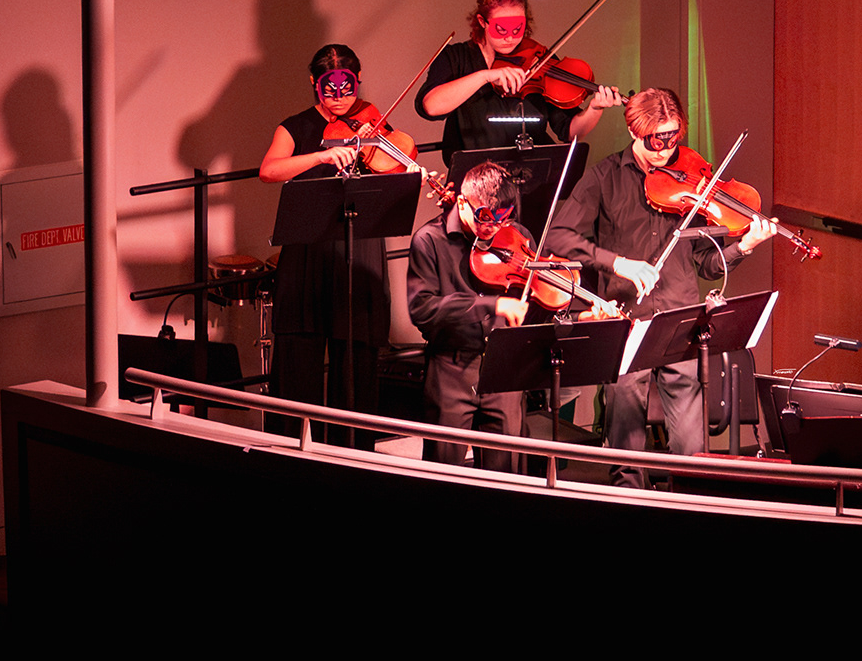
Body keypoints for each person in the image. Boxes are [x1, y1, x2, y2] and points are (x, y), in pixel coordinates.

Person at [548, 86, 772, 484]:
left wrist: (744, 246)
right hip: (627, 321)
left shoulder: (690, 179)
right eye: (656, 140)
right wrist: (617, 262)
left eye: (672, 138)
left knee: (692, 450)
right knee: (626, 445)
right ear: (634, 131)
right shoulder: (604, 177)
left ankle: (688, 504)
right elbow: (559, 237)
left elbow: (707, 264)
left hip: (679, 320)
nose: (665, 150)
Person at [257, 44, 389, 439]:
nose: (341, 100)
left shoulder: (371, 122)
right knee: (298, 362)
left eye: (348, 89)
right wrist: (320, 157)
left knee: (357, 363)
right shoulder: (295, 127)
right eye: (330, 91)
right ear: (315, 84)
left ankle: (355, 454)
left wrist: (377, 147)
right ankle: (289, 451)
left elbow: (397, 166)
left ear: (358, 81)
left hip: (358, 251)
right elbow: (269, 170)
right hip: (308, 252)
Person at [415, 0, 623, 174]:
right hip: (474, 180)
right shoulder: (456, 57)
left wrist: (594, 109)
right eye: (501, 29)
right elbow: (431, 106)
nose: (510, 38)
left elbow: (569, 131)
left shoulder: (538, 58)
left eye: (517, 29)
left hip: (532, 177)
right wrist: (485, 76)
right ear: (482, 21)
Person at [404, 159, 535, 467]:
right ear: (463, 203)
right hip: (451, 369)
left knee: (505, 477)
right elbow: (422, 308)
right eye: (484, 220)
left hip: (503, 370)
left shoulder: (515, 236)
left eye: (502, 221)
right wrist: (490, 305)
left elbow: (534, 295)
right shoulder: (429, 240)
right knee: (443, 473)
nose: (493, 230)